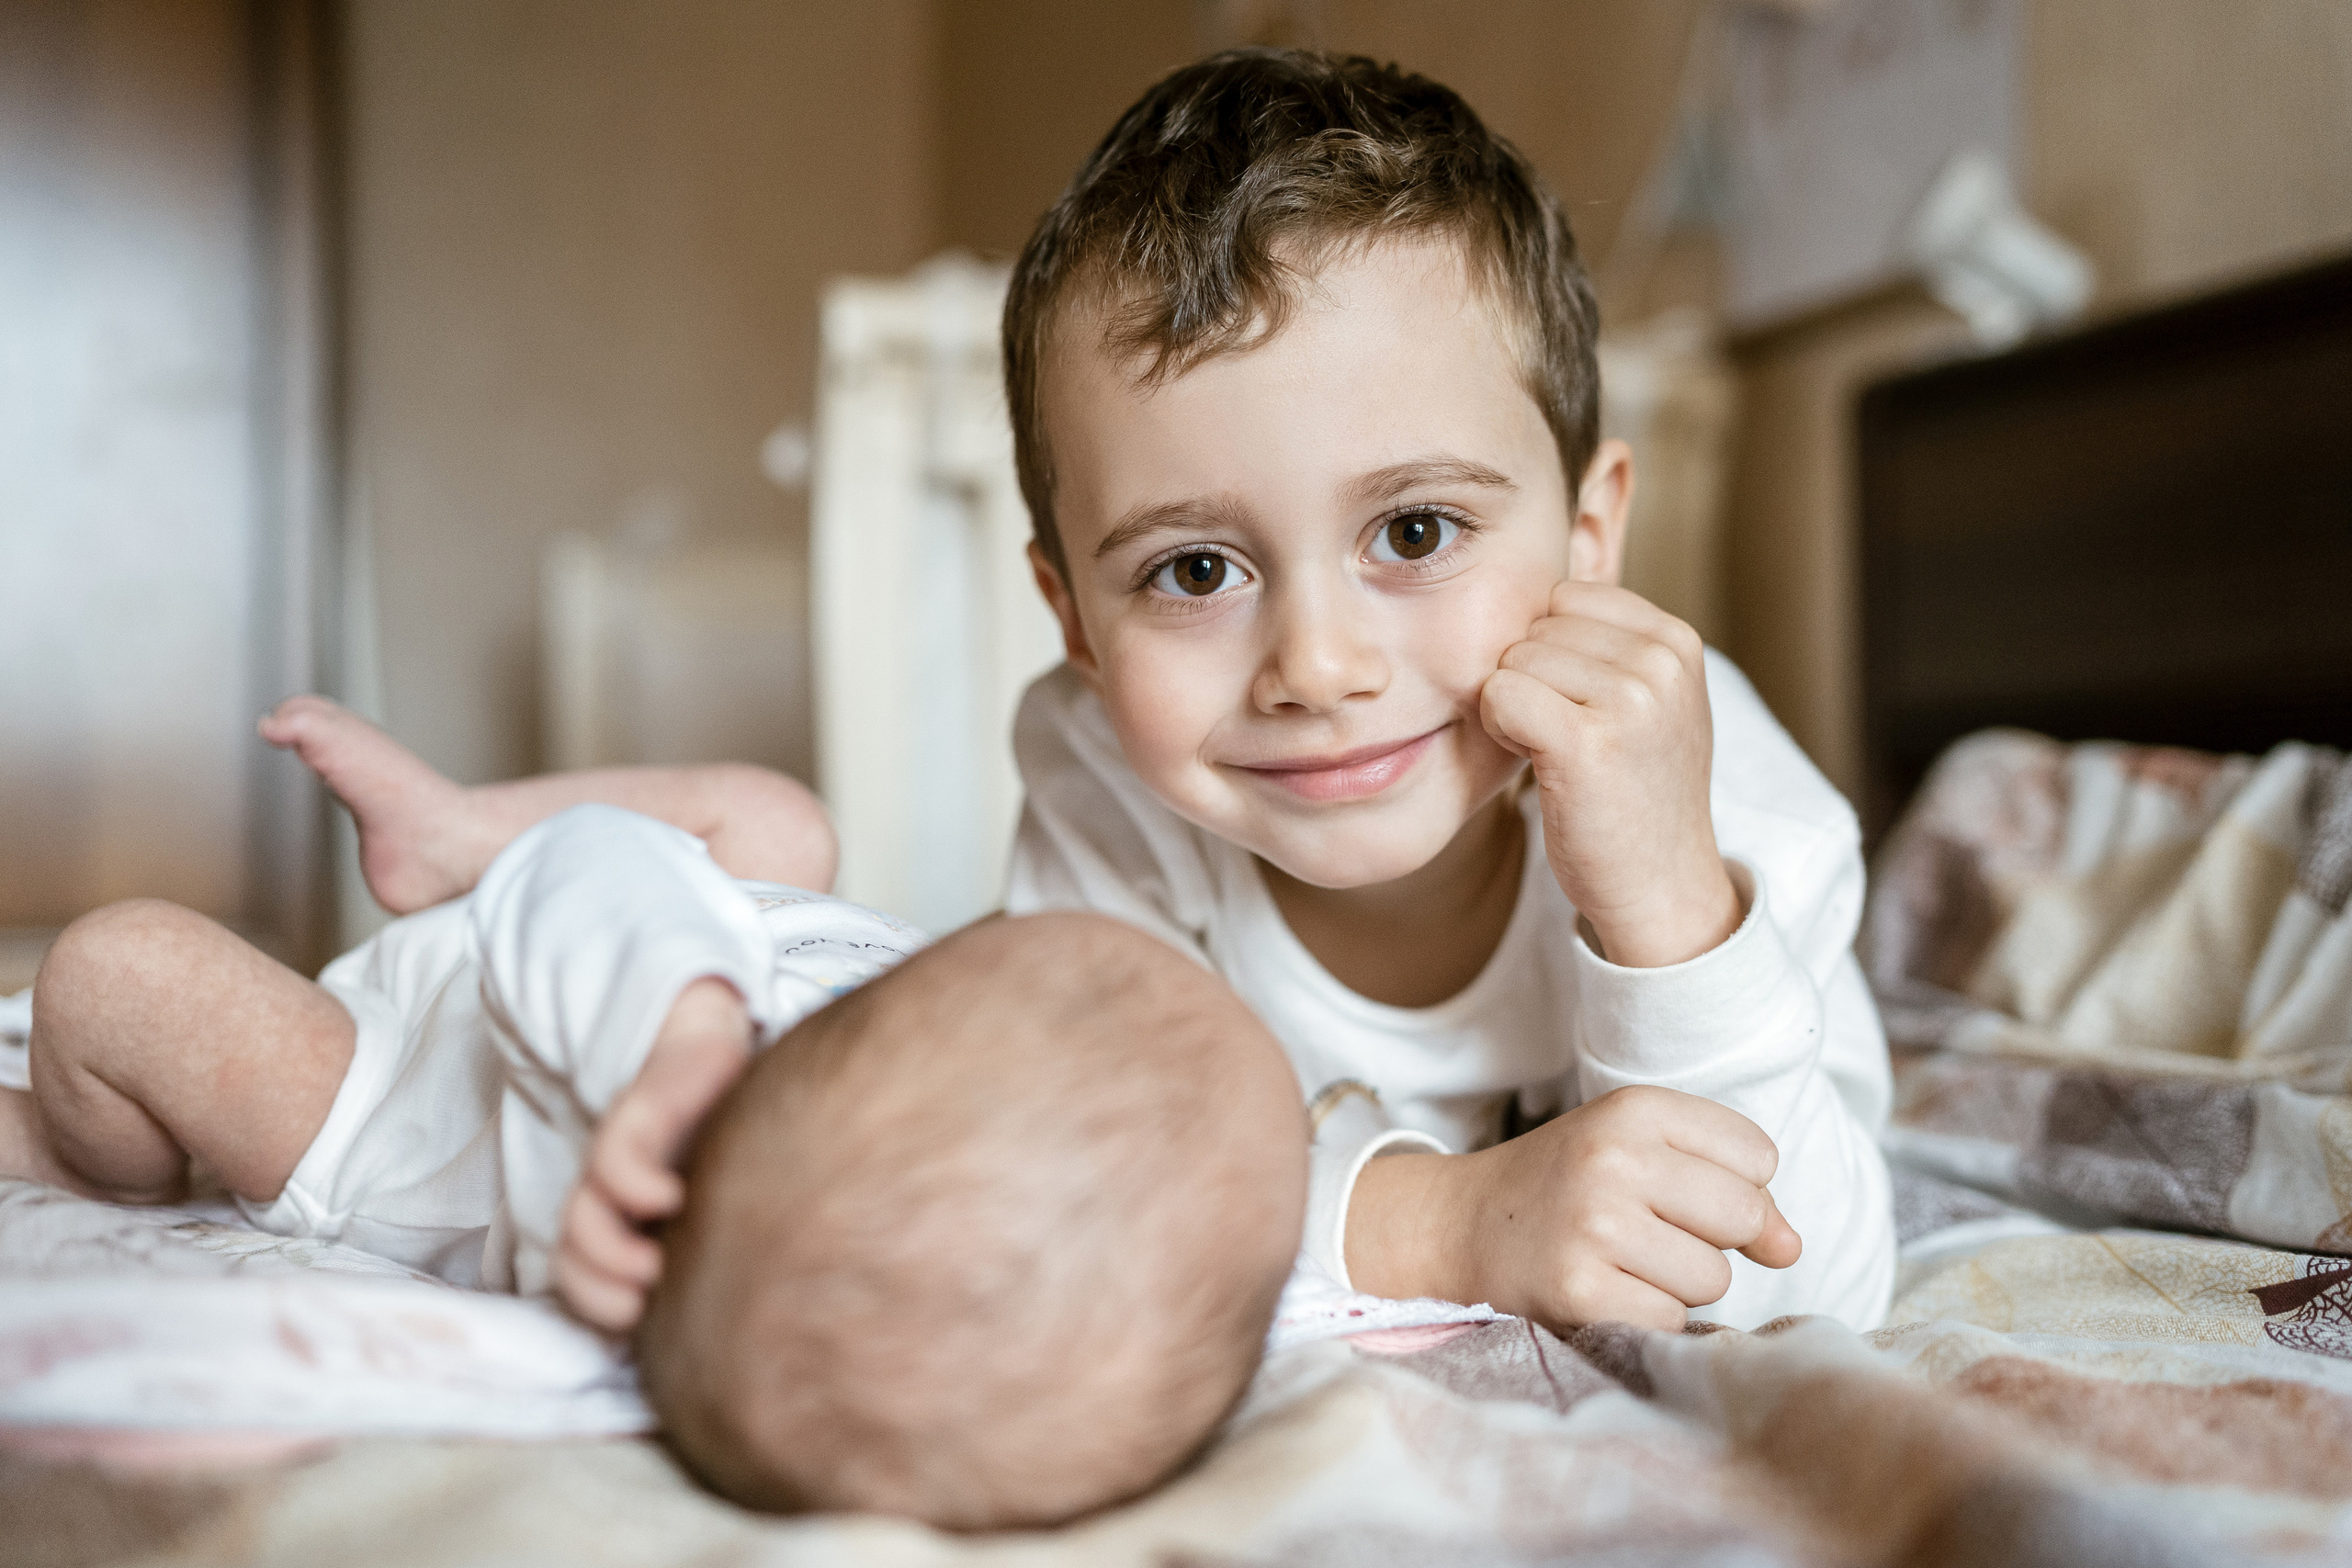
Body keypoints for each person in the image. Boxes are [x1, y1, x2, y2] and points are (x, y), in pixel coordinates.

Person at [998, 49, 1894, 1333]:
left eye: (1415, 534)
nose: (1317, 666)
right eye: (1195, 568)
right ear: (1075, 622)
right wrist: (1449, 1225)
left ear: (1591, 540)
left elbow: (1818, 1285)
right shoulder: (1111, 804)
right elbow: (1073, 1180)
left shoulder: (1721, 798)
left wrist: (1671, 913)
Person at [0, 789, 1307, 1528]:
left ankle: (104, 1165)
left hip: (396, 1079)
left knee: (125, 973)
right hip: (701, 944)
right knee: (784, 829)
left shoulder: (689, 1065)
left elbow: (591, 863)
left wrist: (680, 1026)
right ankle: (455, 831)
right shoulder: (1003, 1192)